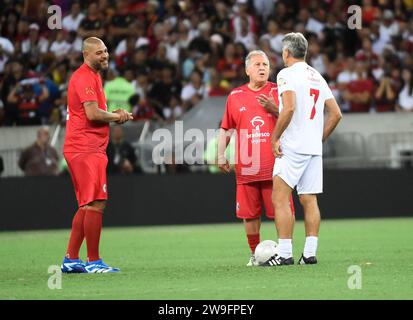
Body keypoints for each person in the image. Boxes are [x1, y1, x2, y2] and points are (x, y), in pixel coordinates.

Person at [61, 37, 133, 274]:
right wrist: (116, 117)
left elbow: (92, 112)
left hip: (88, 147)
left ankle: (71, 259)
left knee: (86, 205)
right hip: (85, 148)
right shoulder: (83, 77)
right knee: (96, 203)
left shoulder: (94, 77)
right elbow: (92, 114)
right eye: (99, 53)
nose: (104, 56)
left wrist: (114, 113)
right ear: (86, 55)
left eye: (105, 51)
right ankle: (93, 262)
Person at [217, 50, 294, 266]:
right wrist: (221, 152)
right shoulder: (235, 96)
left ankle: (285, 252)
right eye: (258, 64)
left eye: (266, 65)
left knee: (282, 209)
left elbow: (293, 118)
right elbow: (227, 128)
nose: (263, 68)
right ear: (247, 69)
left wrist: (273, 108)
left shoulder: (279, 91)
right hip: (247, 166)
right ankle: (254, 254)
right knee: (249, 215)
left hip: (276, 164)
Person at [271, 33, 342, 266]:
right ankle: (309, 254)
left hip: (293, 145)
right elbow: (336, 113)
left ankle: (284, 254)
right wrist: (318, 138)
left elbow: (289, 108)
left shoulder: (286, 74)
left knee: (280, 198)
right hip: (312, 148)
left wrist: (275, 137)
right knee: (309, 199)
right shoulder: (317, 76)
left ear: (286, 53)